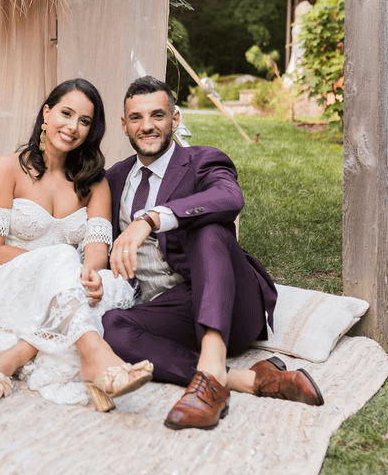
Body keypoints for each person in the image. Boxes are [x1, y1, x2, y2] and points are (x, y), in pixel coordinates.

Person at [101, 75, 324, 430]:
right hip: (172, 309)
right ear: (124, 124)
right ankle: (247, 380)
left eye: (157, 116)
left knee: (209, 228)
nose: (147, 126)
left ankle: (210, 369)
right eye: (137, 118)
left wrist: (152, 218)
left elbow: (229, 198)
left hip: (232, 303)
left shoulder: (203, 160)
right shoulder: (115, 178)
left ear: (174, 120)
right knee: (113, 327)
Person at [0, 79, 153, 410]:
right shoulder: (6, 168)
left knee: (110, 285)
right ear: (47, 114)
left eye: (84, 121)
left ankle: (8, 359)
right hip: (3, 283)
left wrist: (90, 274)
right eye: (66, 113)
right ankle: (95, 357)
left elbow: (95, 250)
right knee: (65, 261)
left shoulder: (94, 182)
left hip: (67, 286)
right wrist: (54, 266)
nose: (73, 127)